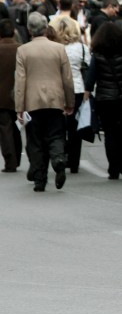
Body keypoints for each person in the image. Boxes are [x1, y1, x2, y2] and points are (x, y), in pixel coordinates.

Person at [14, 12, 75, 192]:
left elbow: (20, 80)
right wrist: (70, 101)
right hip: (55, 99)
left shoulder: (23, 50)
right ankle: (58, 158)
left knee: (35, 141)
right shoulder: (59, 49)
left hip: (32, 102)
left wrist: (19, 107)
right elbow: (67, 79)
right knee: (56, 134)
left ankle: (40, 179)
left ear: (29, 30)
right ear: (46, 28)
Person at [85, 22, 122, 178]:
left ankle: (113, 169)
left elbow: (90, 79)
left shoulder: (97, 56)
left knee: (110, 134)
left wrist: (86, 98)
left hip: (104, 100)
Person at [50, 18, 88, 174]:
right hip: (78, 89)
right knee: (75, 127)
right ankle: (74, 162)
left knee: (58, 125)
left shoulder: (54, 48)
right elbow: (88, 66)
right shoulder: (82, 48)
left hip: (58, 89)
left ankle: (61, 155)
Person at [0, 19, 22, 172]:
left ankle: (10, 161)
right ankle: (18, 157)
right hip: (19, 94)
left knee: (5, 128)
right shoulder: (22, 49)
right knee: (17, 127)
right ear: (13, 32)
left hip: (1, 96)